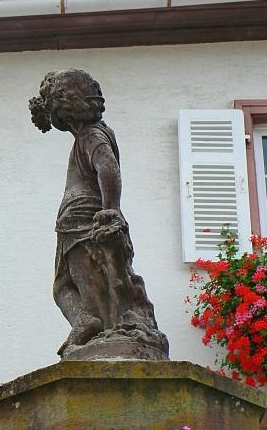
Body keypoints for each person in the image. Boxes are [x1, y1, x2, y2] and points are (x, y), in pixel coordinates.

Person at [29, 69, 168, 359]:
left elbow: (107, 167)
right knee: (67, 285)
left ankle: (98, 323)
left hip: (84, 218)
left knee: (88, 279)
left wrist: (111, 210)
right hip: (74, 221)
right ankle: (88, 320)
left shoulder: (92, 135)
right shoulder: (88, 135)